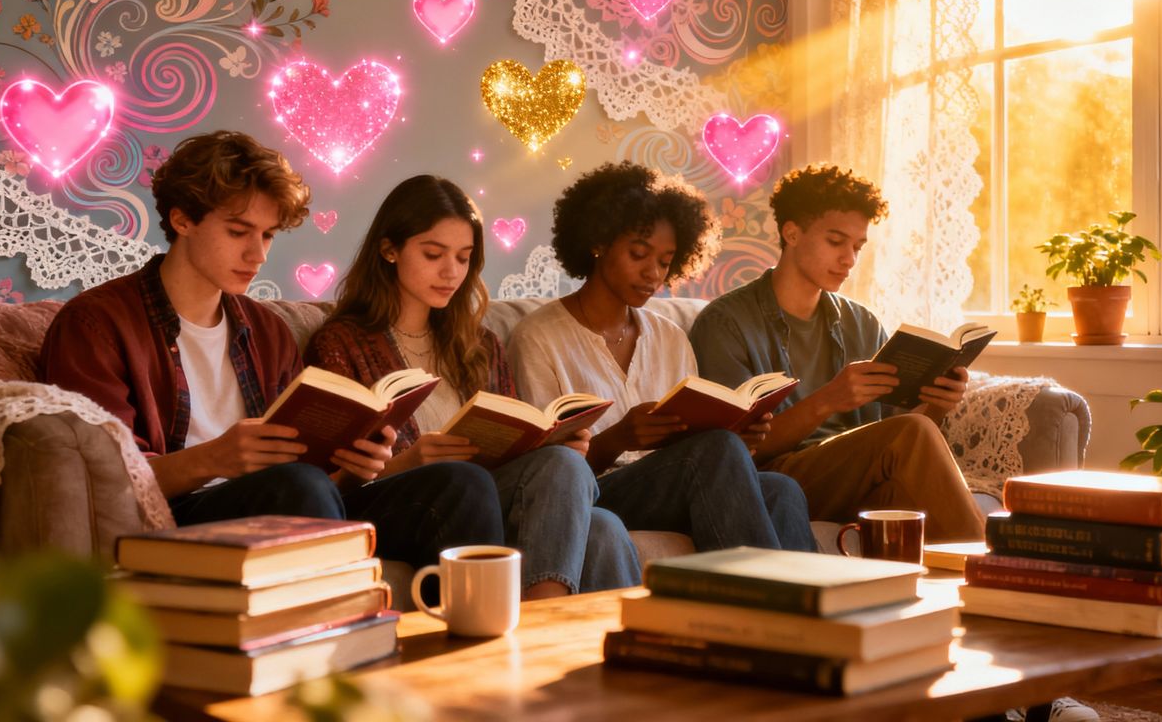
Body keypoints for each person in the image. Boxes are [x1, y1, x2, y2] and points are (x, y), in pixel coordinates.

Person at [38, 131, 503, 575]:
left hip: (289, 499)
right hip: (176, 518)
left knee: (462, 484)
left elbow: (315, 477)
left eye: (267, 235)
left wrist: (353, 468)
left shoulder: (266, 331)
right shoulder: (97, 324)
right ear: (182, 220)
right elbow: (95, 477)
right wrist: (214, 459)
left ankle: (475, 648)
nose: (257, 254)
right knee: (298, 484)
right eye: (240, 231)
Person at [305, 175, 639, 599]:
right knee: (575, 496)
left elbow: (514, 442)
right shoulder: (341, 344)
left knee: (596, 513)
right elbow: (324, 488)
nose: (451, 272)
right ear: (389, 249)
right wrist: (409, 461)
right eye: (433, 254)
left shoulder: (479, 345)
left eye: (463, 259)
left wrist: (552, 442)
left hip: (488, 493)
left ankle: (601, 655)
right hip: (401, 503)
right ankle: (540, 634)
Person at [509, 161, 816, 553]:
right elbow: (547, 476)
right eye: (639, 253)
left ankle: (809, 609)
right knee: (717, 452)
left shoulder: (670, 337)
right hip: (596, 492)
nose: (653, 273)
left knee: (780, 488)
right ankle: (759, 600)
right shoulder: (538, 337)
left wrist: (737, 435)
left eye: (665, 261)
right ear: (598, 241)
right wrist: (619, 437)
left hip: (674, 485)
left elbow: (693, 447)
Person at [688, 163, 986, 543]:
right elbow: (729, 453)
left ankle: (953, 595)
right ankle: (996, 574)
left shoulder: (861, 322)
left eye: (858, 246)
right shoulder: (726, 323)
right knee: (912, 435)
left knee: (909, 506)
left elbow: (900, 432)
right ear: (791, 233)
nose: (849, 259)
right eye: (835, 241)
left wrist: (939, 403)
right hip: (777, 479)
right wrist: (827, 400)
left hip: (855, 479)